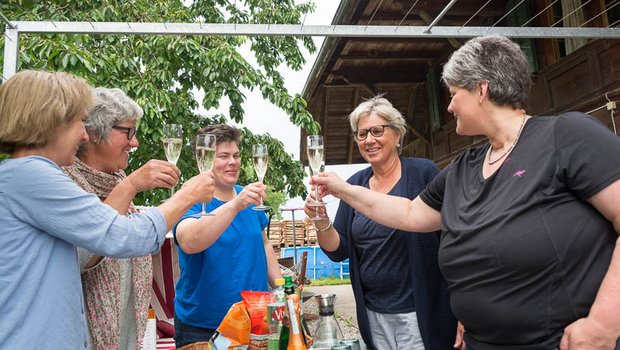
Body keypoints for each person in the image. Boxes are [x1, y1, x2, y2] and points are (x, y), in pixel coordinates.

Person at [309, 35, 620, 349]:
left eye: (455, 93)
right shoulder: (463, 168)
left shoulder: (565, 136)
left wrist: (603, 324)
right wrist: (342, 189)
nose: (449, 105)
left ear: (481, 90)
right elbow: (407, 213)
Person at [0, 70, 215, 349]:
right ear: (51, 121)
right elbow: (123, 235)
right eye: (79, 122)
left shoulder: (25, 176)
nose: (83, 134)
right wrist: (187, 196)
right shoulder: (31, 176)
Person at [304, 96, 456, 350]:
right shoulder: (354, 184)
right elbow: (337, 250)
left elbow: (454, 236)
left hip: (421, 313)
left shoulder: (423, 173)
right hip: (373, 313)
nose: (369, 140)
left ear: (397, 135)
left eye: (377, 131)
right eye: (361, 134)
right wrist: (321, 221)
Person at [62, 87, 180, 349]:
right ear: (93, 133)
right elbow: (88, 250)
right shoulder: (66, 182)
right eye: (127, 131)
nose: (135, 142)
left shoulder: (117, 180)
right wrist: (132, 186)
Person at [172, 124, 282, 348]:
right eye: (223, 156)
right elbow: (189, 242)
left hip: (255, 323)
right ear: (203, 159)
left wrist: (281, 288)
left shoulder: (249, 197)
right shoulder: (190, 200)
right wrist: (235, 205)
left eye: (236, 155)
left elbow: (264, 243)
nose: (233, 162)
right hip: (204, 328)